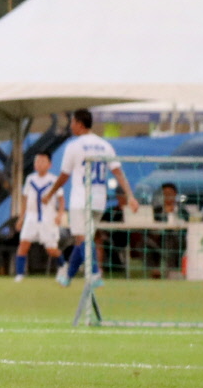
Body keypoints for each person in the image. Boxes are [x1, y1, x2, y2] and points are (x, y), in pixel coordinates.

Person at [50, 110, 139, 287]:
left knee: (82, 239)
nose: (71, 125)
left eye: (72, 122)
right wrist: (130, 196)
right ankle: (68, 276)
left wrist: (50, 193)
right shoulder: (104, 145)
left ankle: (95, 273)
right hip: (99, 200)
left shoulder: (74, 146)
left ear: (79, 124)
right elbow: (118, 172)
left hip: (80, 200)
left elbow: (64, 176)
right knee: (82, 240)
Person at [13, 151, 63, 283]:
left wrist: (59, 215)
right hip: (31, 216)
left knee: (51, 249)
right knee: (24, 244)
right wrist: (21, 217)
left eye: (42, 161)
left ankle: (63, 267)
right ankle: (19, 274)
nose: (39, 164)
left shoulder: (53, 180)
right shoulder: (30, 179)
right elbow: (25, 199)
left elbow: (61, 200)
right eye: (37, 161)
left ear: (49, 164)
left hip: (48, 217)